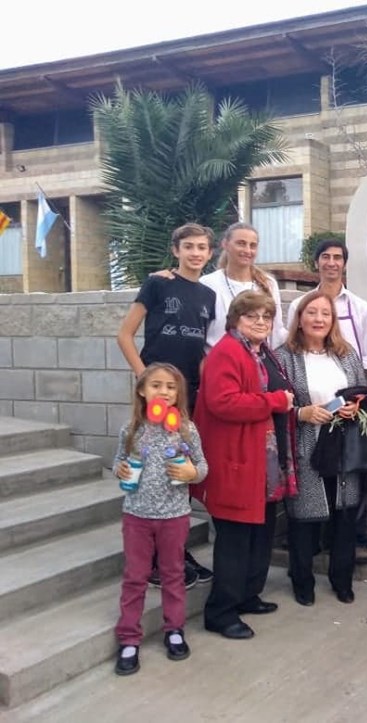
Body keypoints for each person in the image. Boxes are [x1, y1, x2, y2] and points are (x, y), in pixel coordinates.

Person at [117, 222, 217, 589]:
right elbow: (124, 334)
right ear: (176, 250)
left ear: (210, 253)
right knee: (151, 468)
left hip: (186, 397)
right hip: (156, 395)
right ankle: (155, 559)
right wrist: (146, 380)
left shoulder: (208, 295)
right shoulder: (157, 284)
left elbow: (200, 348)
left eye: (202, 247)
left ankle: (175, 552)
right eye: (188, 246)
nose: (195, 253)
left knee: (180, 468)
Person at [193, 291, 295, 640]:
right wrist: (275, 401)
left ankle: (248, 596)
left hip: (261, 462)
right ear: (235, 319)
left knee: (259, 534)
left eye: (266, 316)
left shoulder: (259, 352)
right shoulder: (227, 352)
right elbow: (223, 403)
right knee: (235, 541)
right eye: (252, 316)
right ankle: (220, 612)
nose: (260, 322)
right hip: (235, 460)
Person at [286, 237, 367, 565]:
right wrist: (301, 413)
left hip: (344, 430)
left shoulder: (359, 309)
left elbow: (366, 366)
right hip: (306, 432)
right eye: (325, 256)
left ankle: (344, 569)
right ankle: (304, 571)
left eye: (338, 257)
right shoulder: (295, 319)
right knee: (307, 508)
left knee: (345, 504)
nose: (331, 262)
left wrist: (359, 407)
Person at [112, 363, 208, 676]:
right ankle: (129, 638)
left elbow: (203, 467)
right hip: (136, 517)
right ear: (142, 390)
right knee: (135, 576)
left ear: (178, 393)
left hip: (174, 517)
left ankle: (174, 630)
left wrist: (192, 472)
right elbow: (118, 462)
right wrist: (120, 470)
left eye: (170, 386)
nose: (163, 392)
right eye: (156, 385)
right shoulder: (131, 429)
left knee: (173, 574)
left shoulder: (186, 429)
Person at [275, 290, 366, 606]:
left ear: (333, 320)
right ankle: (302, 581)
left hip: (342, 445)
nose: (319, 319)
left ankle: (343, 580)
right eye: (311, 312)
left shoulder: (346, 354)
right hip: (305, 445)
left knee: (344, 515)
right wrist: (301, 413)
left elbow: (362, 393)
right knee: (304, 518)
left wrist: (355, 407)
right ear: (299, 319)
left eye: (325, 313)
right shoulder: (283, 357)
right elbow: (272, 405)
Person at [200, 222, 286, 350]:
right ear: (225, 244)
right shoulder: (208, 283)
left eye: (252, 246)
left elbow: (276, 331)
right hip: (219, 358)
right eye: (241, 243)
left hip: (257, 359)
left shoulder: (268, 284)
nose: (247, 250)